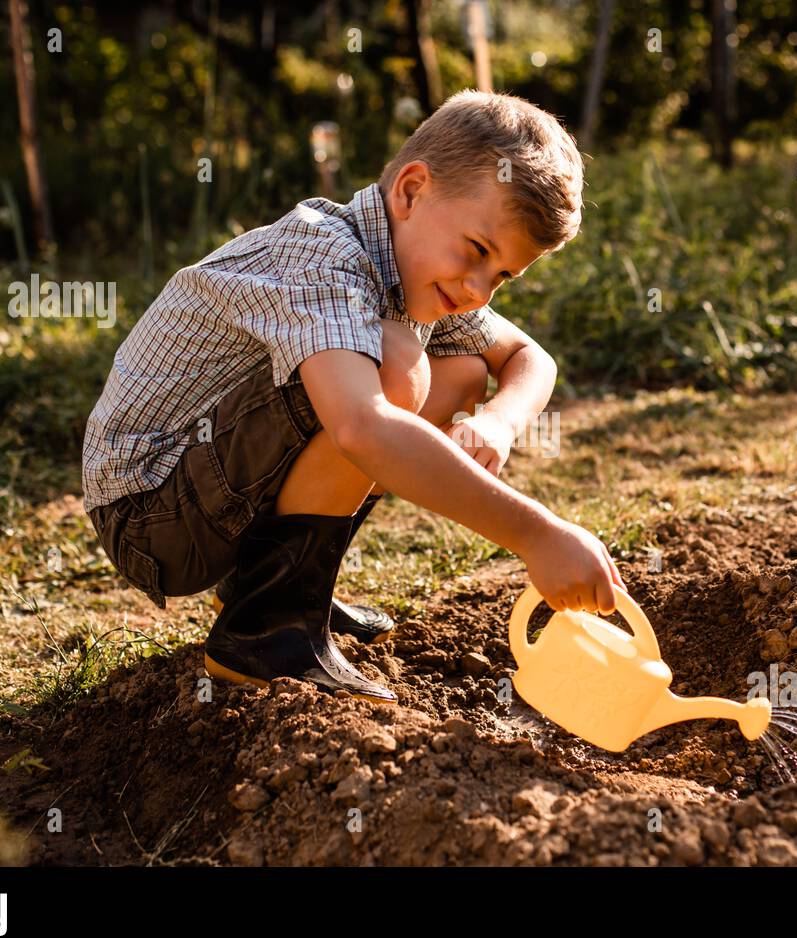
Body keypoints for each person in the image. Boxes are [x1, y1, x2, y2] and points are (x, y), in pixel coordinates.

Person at [82, 89, 626, 704]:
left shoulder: (414, 266)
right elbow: (362, 428)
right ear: (412, 190)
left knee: (464, 373)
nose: (479, 290)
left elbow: (531, 358)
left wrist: (499, 421)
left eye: (502, 276)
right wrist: (537, 535)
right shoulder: (324, 253)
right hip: (150, 512)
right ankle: (268, 628)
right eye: (477, 251)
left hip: (207, 494)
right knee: (398, 368)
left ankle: (272, 584)